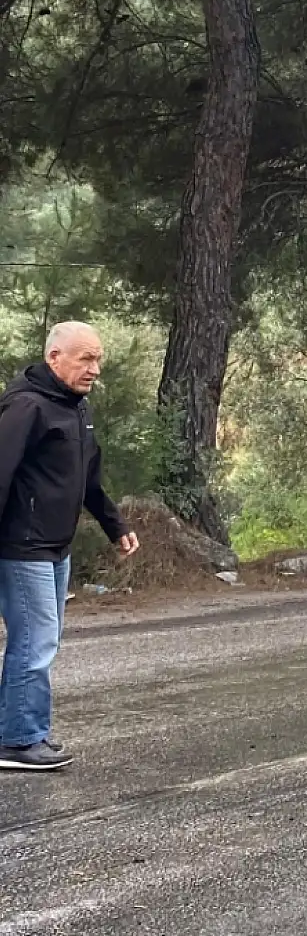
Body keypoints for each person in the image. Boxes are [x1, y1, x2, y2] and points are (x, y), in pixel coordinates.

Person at [0, 322, 139, 771]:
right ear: (55, 357)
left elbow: (88, 478)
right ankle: (18, 741)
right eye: (85, 359)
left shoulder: (76, 409)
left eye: (97, 360)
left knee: (43, 639)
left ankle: (26, 733)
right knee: (35, 641)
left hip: (56, 548)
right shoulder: (25, 407)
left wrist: (114, 525)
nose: (94, 369)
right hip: (24, 546)